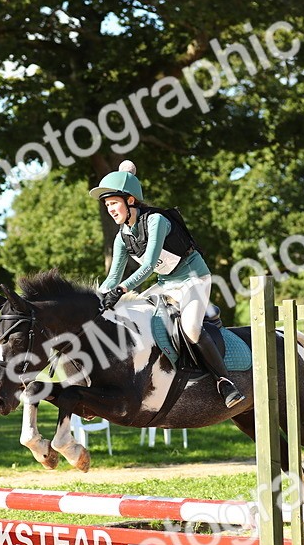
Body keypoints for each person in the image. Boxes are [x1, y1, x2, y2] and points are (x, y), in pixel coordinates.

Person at [88, 161, 246, 408]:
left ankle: (225, 382)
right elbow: (112, 278)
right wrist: (94, 300)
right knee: (139, 318)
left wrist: (121, 290)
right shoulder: (122, 238)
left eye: (114, 203)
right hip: (166, 284)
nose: (110, 209)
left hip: (194, 278)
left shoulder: (156, 221)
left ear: (130, 201)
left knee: (191, 328)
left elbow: (149, 265)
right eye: (107, 205)